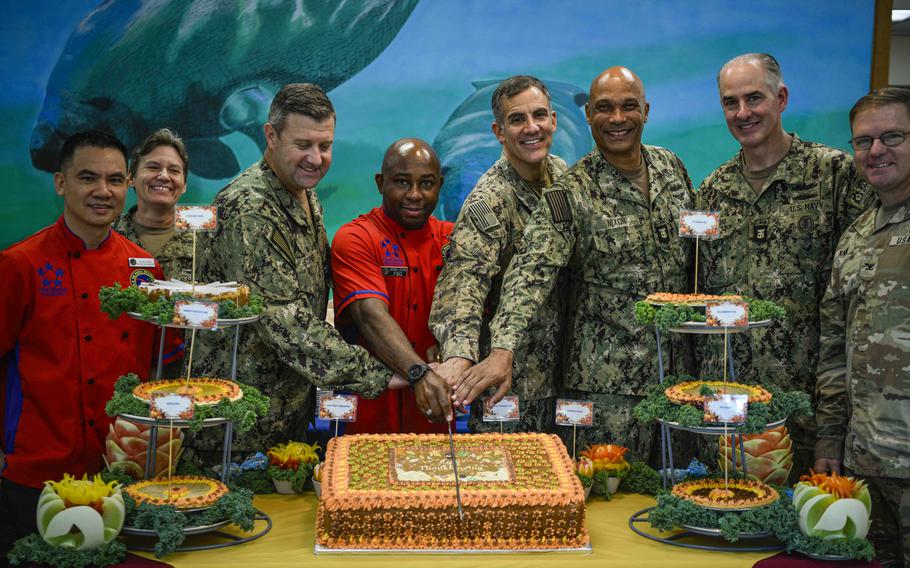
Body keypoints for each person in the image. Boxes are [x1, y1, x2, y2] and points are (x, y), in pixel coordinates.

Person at [195, 84, 450, 453]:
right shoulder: (250, 207)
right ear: (271, 136)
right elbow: (286, 325)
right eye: (303, 145)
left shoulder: (301, 191)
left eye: (325, 146)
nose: (315, 158)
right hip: (241, 418)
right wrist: (386, 374)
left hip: (285, 406)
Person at [455, 67, 694, 460]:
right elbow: (530, 271)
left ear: (646, 111)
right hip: (607, 389)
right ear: (587, 116)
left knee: (676, 490)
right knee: (607, 499)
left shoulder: (672, 169)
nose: (617, 119)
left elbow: (698, 257)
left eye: (628, 107)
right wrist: (501, 348)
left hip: (675, 381)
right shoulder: (570, 190)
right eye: (604, 108)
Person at [696, 53, 873, 480]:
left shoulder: (834, 175)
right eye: (730, 102)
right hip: (729, 405)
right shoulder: (713, 190)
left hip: (809, 407)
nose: (743, 113)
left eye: (753, 98)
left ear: (782, 98)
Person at [0, 130, 165, 560]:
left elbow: (159, 365)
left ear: (128, 184)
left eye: (114, 179)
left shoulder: (144, 269)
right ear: (61, 183)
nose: (102, 191)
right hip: (36, 470)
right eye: (87, 178)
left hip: (119, 470)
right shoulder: (20, 264)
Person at [429, 75, 568, 433]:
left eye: (539, 115)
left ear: (553, 121)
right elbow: (464, 284)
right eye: (517, 119)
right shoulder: (488, 201)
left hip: (565, 377)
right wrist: (459, 355)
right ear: (499, 131)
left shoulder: (563, 177)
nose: (531, 128)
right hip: (506, 387)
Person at [815, 87, 910, 568]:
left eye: (892, 136)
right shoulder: (856, 235)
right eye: (863, 141)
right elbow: (834, 347)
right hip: (864, 462)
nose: (876, 151)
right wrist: (830, 437)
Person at [331, 139, 452, 434]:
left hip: (435, 407)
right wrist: (418, 373)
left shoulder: (454, 241)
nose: (414, 195)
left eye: (426, 184)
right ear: (380, 183)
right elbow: (370, 315)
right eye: (401, 182)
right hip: (370, 405)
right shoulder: (356, 237)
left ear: (440, 185)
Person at [113, 128, 195, 282]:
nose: (164, 176)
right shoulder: (107, 234)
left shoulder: (205, 241)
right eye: (153, 167)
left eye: (174, 170)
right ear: (131, 178)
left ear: (184, 185)